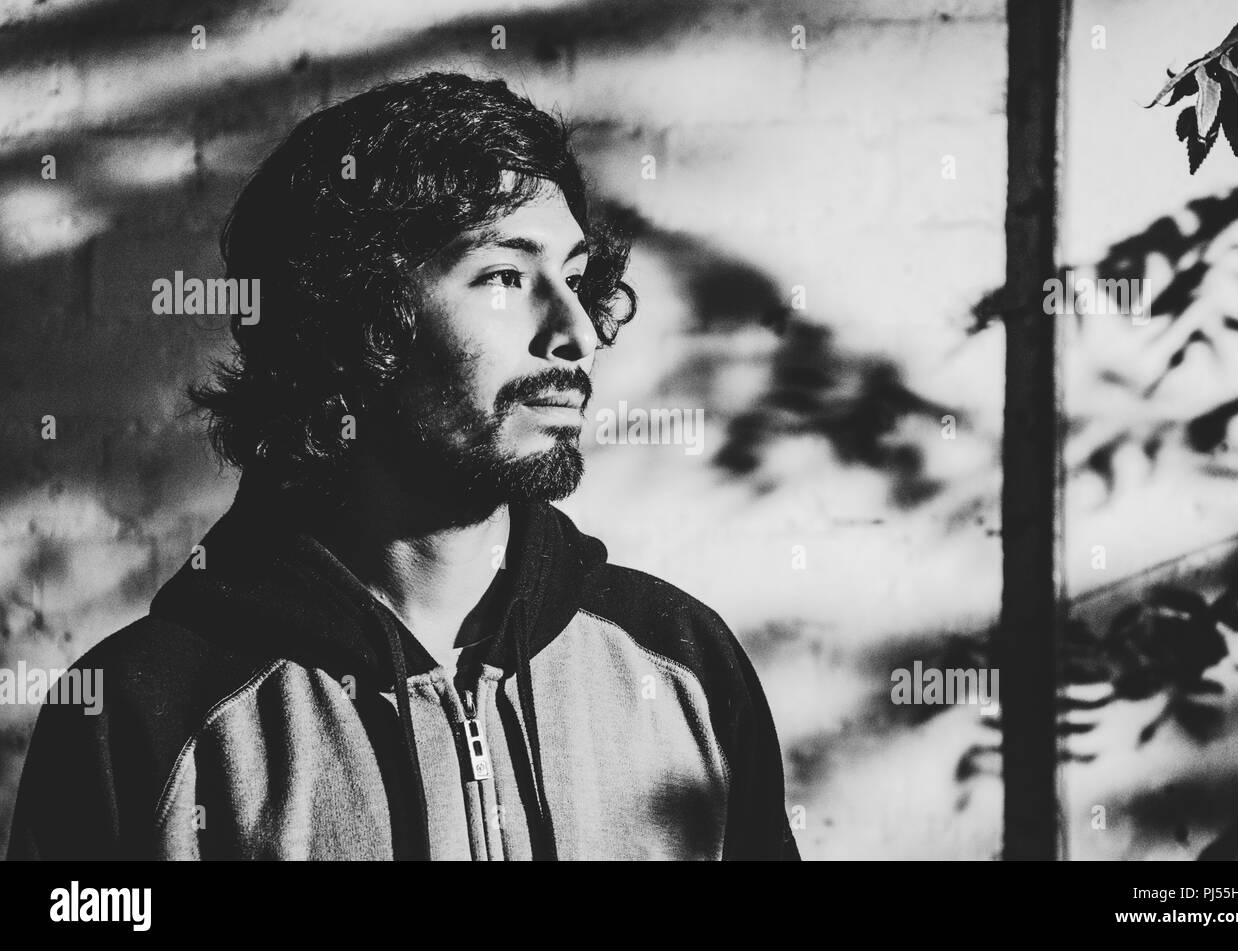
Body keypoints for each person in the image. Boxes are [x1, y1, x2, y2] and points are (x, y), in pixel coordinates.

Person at [8, 70, 799, 861]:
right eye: (505, 276)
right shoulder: (140, 717)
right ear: (355, 323)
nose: (577, 334)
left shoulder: (682, 662)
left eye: (576, 275)